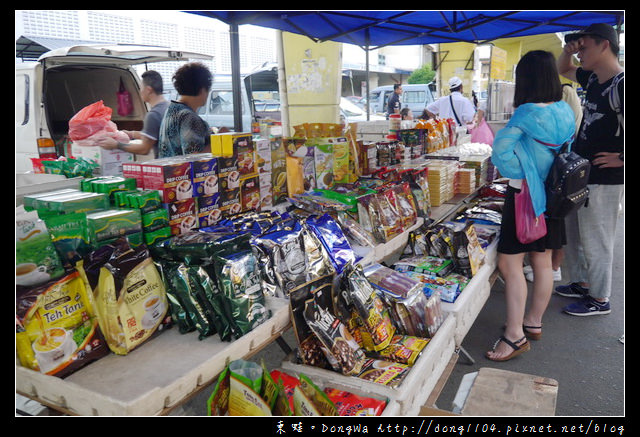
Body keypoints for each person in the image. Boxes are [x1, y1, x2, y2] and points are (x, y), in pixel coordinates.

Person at [486, 50, 576, 361]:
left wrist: (521, 172)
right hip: (555, 195)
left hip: (525, 196)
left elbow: (500, 153)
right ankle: (533, 323)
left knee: (510, 265)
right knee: (543, 261)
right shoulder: (564, 110)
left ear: (524, 79)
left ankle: (514, 336)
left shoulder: (525, 113)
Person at [555, 23, 624, 316]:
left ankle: (600, 298)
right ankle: (582, 282)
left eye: (584, 47)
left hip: (606, 179)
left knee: (597, 238)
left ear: (604, 45)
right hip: (582, 173)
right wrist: (567, 50)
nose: (579, 54)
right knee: (577, 233)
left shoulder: (621, 84)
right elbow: (564, 68)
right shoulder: (595, 79)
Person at [524, 84, 583, 283]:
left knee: (554, 219)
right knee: (555, 218)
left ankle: (553, 266)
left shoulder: (564, 94)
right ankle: (550, 265)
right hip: (560, 167)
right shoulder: (562, 100)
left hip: (557, 170)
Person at [96, 70, 169, 158]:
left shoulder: (153, 115)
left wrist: (116, 145)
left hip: (166, 166)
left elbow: (144, 149)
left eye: (141, 88)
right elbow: (156, 135)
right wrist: (131, 134)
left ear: (149, 90)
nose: (140, 92)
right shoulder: (169, 107)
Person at [158, 62, 213, 158]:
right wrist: (221, 140)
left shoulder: (172, 109)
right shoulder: (190, 117)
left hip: (172, 171)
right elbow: (195, 159)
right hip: (186, 173)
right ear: (202, 90)